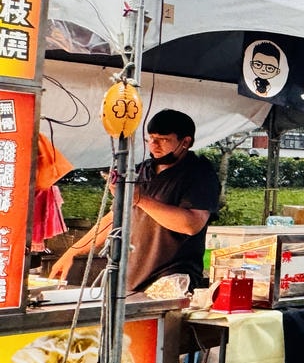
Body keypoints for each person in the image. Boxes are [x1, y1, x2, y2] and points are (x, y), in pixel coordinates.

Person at [51, 109, 221, 292]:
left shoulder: (199, 173)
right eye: (150, 139)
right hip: (131, 279)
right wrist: (73, 251)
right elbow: (115, 217)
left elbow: (192, 224)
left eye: (163, 140)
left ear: (185, 142)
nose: (154, 145)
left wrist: (140, 198)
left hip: (172, 280)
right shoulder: (140, 171)